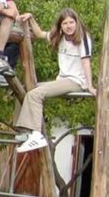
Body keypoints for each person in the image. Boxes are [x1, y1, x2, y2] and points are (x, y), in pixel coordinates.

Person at [15, 9, 96, 153]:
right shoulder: (59, 36)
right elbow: (40, 34)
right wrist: (31, 18)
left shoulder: (83, 38)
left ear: (77, 23)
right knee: (25, 88)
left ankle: (36, 134)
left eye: (71, 22)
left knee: (35, 94)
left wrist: (89, 86)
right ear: (60, 26)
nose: (68, 26)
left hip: (75, 81)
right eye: (65, 23)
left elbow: (86, 63)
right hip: (62, 80)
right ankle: (24, 132)